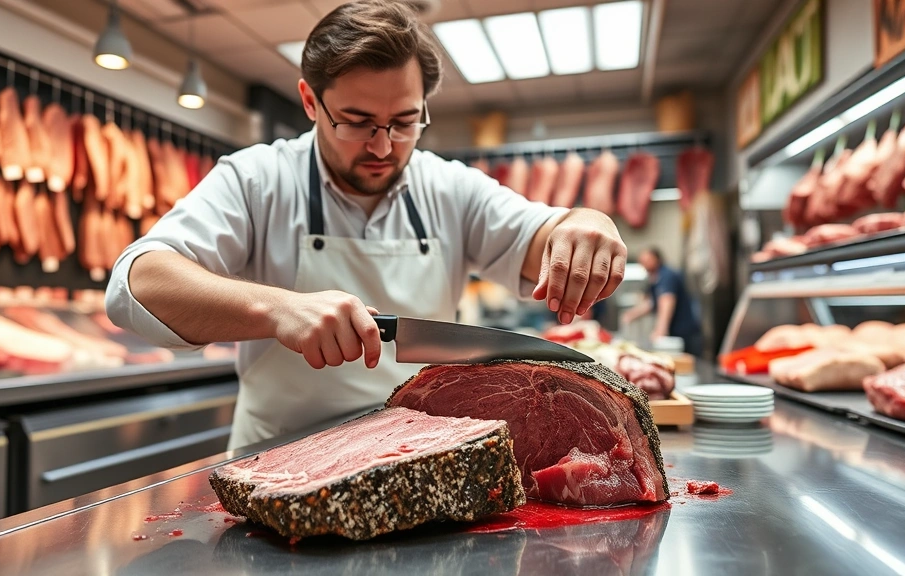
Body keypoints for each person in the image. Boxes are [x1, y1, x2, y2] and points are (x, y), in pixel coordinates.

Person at [105, 0, 628, 449]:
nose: (382, 147)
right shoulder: (257, 178)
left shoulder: (450, 187)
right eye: (356, 122)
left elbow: (540, 237)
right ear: (311, 101)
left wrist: (582, 224)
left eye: (404, 123)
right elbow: (137, 282)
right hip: (278, 463)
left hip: (419, 459)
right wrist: (278, 309)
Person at [621, 247, 702, 356]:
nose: (643, 264)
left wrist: (660, 330)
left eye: (646, 260)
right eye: (641, 261)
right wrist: (631, 315)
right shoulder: (654, 278)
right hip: (676, 332)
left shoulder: (666, 275)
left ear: (656, 259)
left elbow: (667, 301)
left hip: (684, 333)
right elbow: (651, 303)